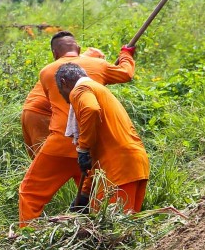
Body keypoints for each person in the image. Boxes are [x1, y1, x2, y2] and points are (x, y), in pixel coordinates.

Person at [17, 32, 136, 226]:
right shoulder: (99, 66)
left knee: (30, 192)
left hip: (60, 144)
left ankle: (27, 234)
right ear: (79, 49)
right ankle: (95, 231)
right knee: (95, 194)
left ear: (55, 53)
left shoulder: (47, 72)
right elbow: (126, 74)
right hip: (93, 145)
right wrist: (126, 53)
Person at [56, 63, 149, 214]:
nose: (66, 101)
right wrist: (84, 196)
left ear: (64, 83)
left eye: (61, 93)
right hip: (134, 165)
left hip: (119, 169)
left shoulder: (80, 89)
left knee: (110, 231)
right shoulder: (99, 90)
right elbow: (95, 158)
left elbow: (90, 109)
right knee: (124, 230)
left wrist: (83, 148)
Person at [20, 46, 106, 157]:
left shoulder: (68, 69)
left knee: (39, 159)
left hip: (30, 112)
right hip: (42, 113)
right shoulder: (80, 73)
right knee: (48, 162)